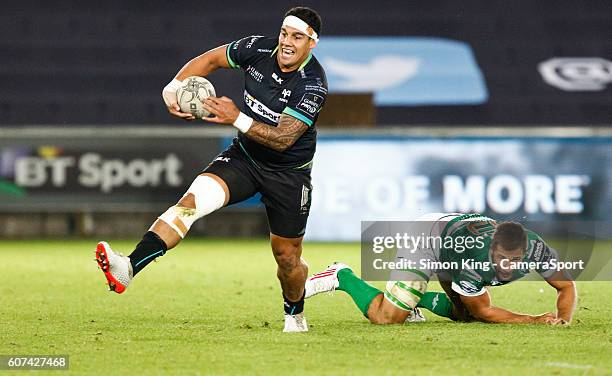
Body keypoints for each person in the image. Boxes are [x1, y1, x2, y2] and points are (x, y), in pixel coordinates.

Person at [94, 6, 327, 333]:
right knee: (190, 203)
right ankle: (128, 267)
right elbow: (211, 59)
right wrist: (174, 86)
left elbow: (283, 139)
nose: (287, 42)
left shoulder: (313, 84)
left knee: (287, 258)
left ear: (311, 43)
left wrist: (237, 118)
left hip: (289, 175)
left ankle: (295, 315)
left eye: (297, 37)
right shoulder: (258, 48)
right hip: (245, 158)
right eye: (285, 33)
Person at [305, 213, 577, 325]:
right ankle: (342, 276)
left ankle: (412, 300)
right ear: (492, 249)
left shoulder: (536, 250)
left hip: (450, 233)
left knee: (464, 316)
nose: (508, 267)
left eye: (515, 260)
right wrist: (533, 319)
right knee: (387, 318)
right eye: (502, 259)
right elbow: (485, 310)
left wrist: (562, 319)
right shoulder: (473, 259)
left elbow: (566, 286)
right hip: (427, 238)